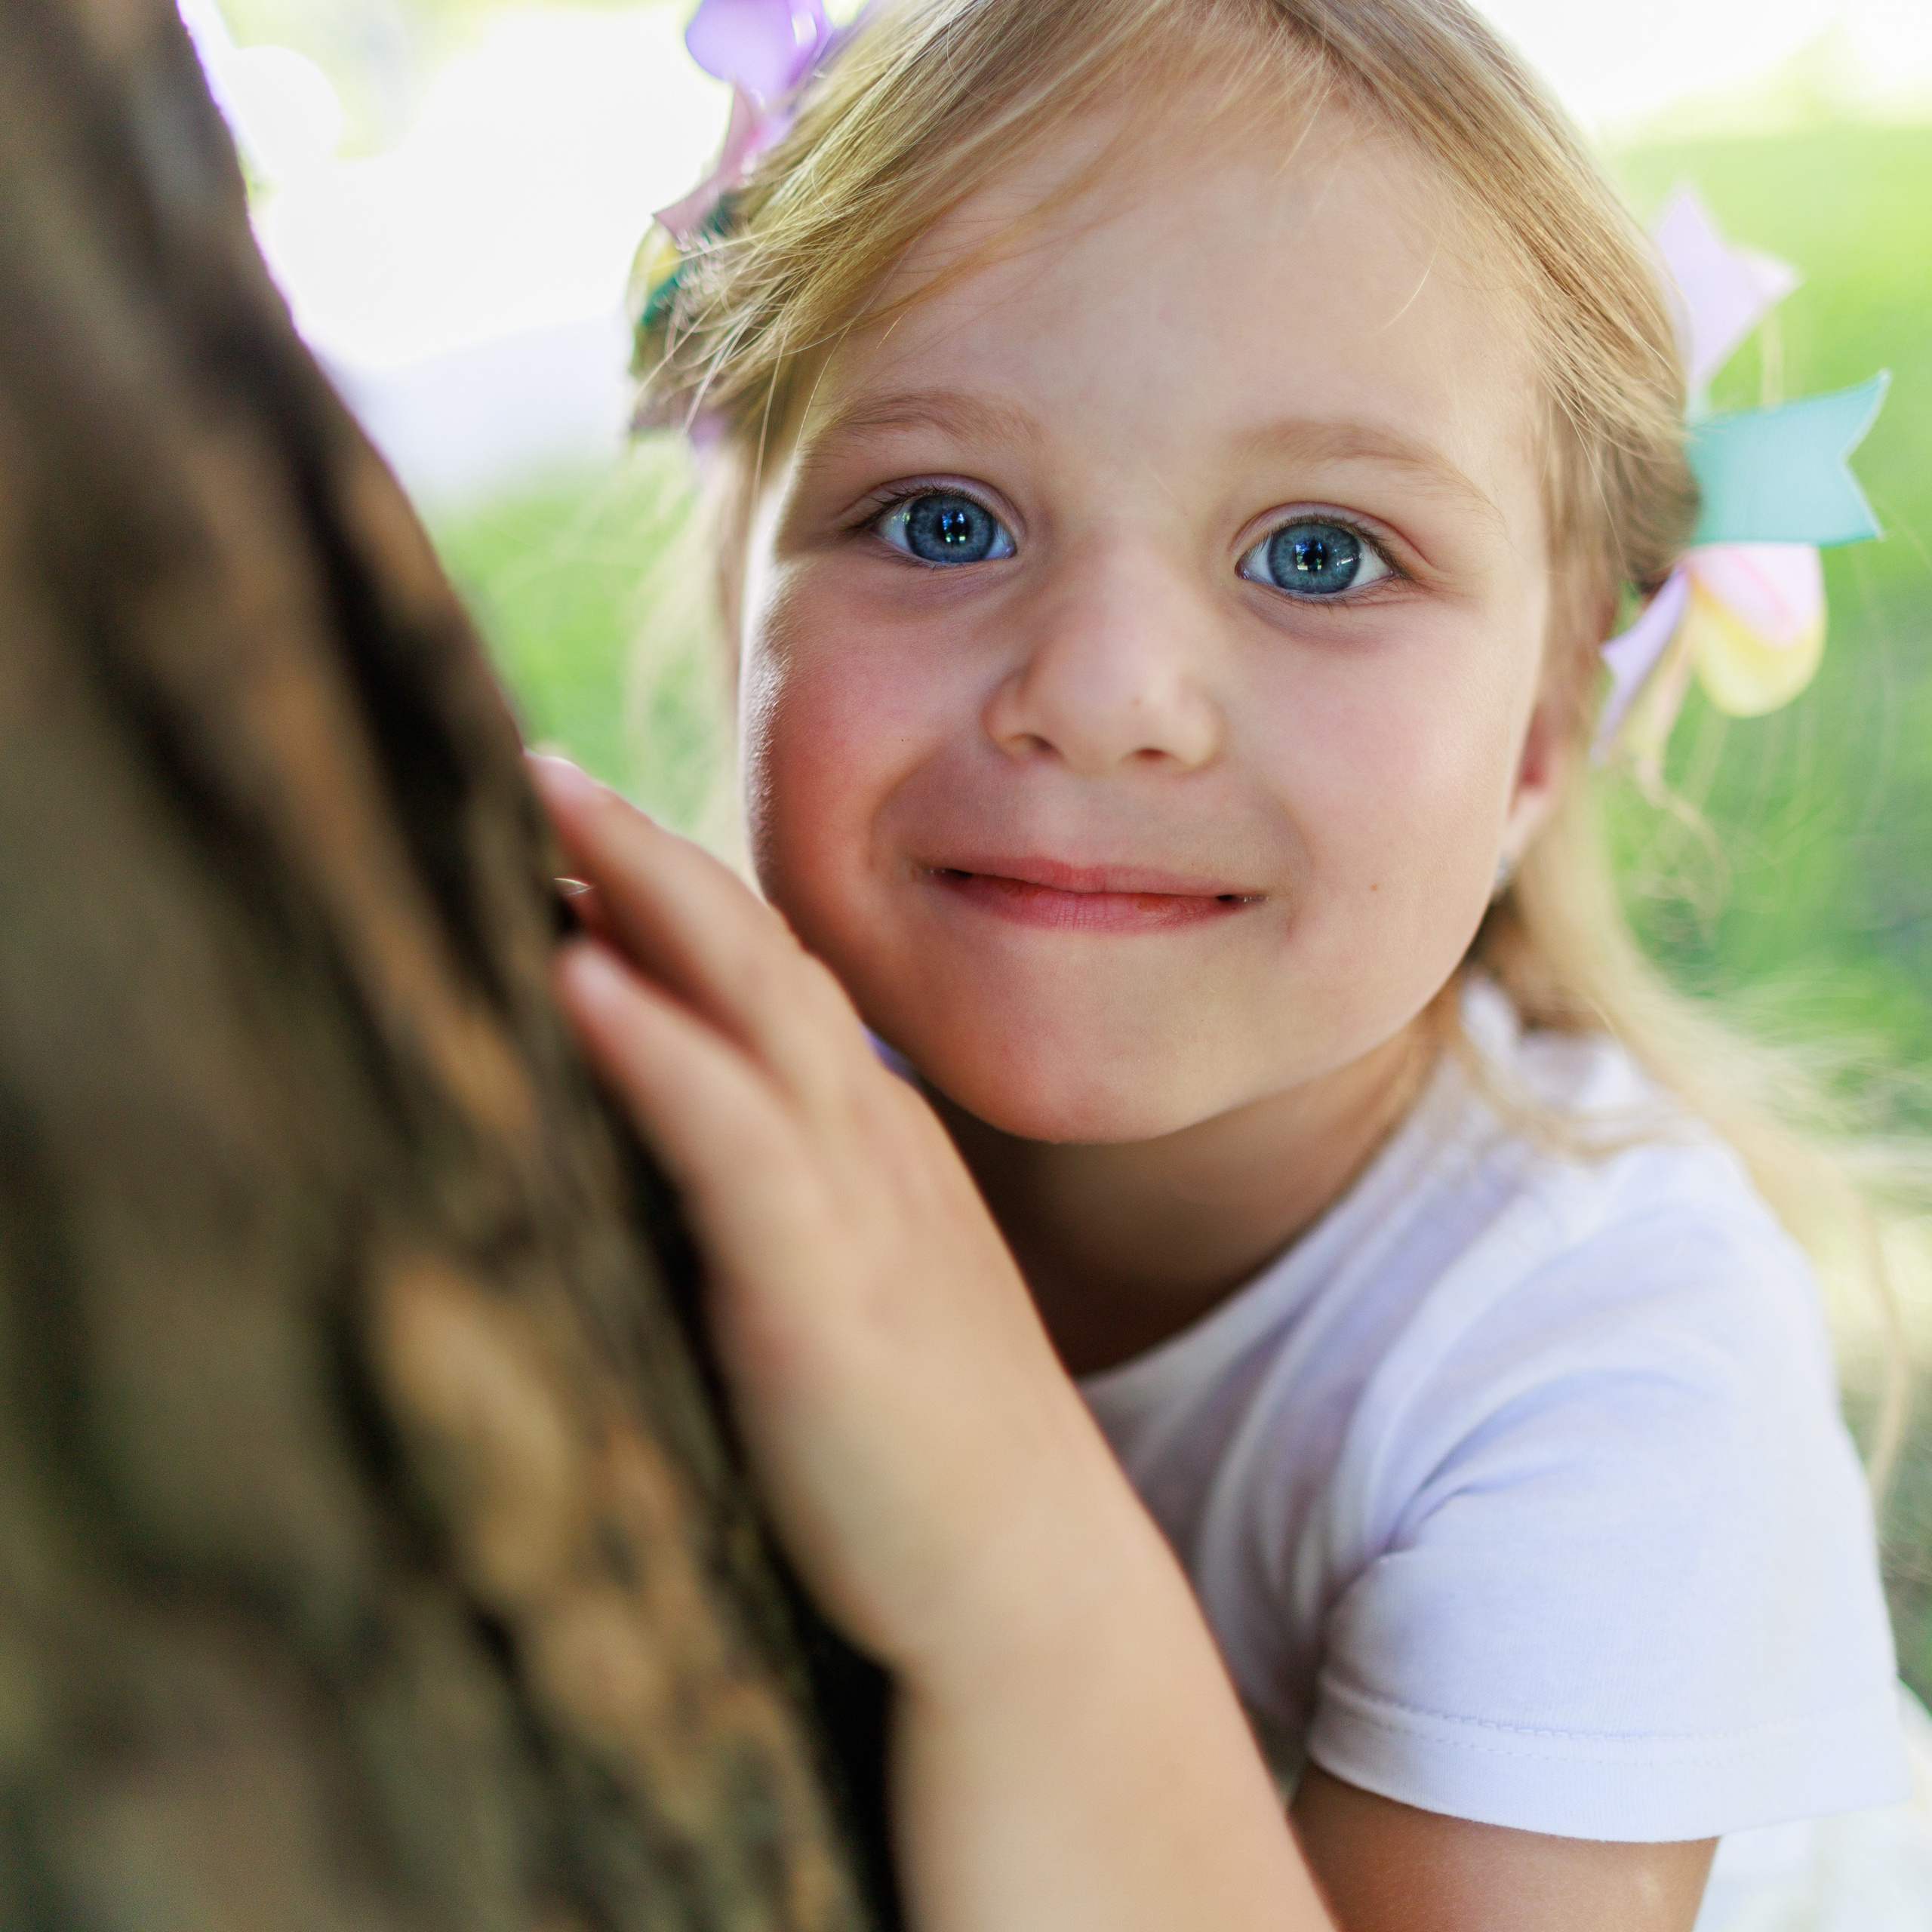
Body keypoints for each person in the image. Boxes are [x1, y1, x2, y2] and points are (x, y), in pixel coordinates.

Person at [529, 1, 1932, 1924]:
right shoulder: (718, 1085)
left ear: (1539, 729)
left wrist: (1008, 1549)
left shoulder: (1605, 1355)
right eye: (940, 517)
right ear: (740, 586)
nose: (1101, 697)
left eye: (1321, 556)